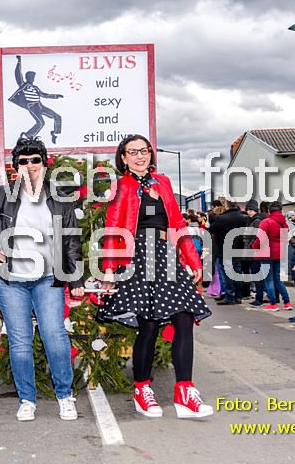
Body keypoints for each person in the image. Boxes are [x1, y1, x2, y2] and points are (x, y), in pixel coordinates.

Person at [99, 134, 213, 419]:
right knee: (148, 326)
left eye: (144, 150)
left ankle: (185, 392)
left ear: (150, 154)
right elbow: (113, 228)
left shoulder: (163, 182)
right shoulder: (120, 186)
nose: (140, 156)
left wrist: (193, 260)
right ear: (123, 158)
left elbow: (177, 224)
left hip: (166, 255)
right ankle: (142, 389)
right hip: (136, 256)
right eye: (133, 152)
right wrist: (109, 269)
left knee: (184, 318)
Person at [0, 138, 84, 422]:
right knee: (20, 341)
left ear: (44, 164)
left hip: (48, 278)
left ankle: (65, 396)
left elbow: (71, 241)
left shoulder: (60, 198)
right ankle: (27, 399)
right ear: (16, 167)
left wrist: (75, 279)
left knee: (54, 336)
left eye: (35, 160)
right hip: (9, 280)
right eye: (23, 161)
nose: (29, 165)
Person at [10, 55, 63, 144]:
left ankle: (55, 134)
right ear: (27, 78)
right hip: (32, 106)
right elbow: (18, 74)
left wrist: (55, 96)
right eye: (30, 77)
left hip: (40, 106)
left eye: (33, 77)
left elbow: (44, 95)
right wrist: (19, 62)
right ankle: (27, 136)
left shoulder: (35, 88)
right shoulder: (24, 85)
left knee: (57, 117)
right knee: (41, 123)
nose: (32, 79)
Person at [253, 201, 292, 312]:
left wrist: (254, 248)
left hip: (266, 253)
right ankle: (287, 302)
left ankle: (273, 303)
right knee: (278, 279)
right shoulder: (284, 223)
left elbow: (260, 238)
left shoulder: (266, 222)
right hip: (279, 253)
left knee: (268, 279)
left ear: (269, 210)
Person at [244, 199, 266, 307]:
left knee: (257, 276)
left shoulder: (256, 221)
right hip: (251, 251)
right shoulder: (251, 220)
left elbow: (257, 236)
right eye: (248, 210)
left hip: (255, 252)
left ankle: (259, 298)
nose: (249, 212)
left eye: (251, 210)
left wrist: (252, 246)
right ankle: (259, 297)